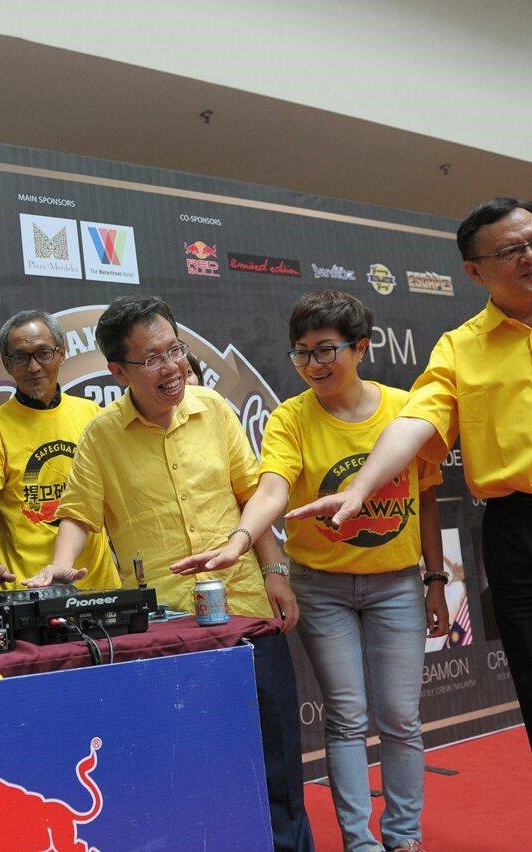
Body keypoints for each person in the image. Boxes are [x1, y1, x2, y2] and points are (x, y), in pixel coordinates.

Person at [288, 198, 532, 850]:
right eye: (509, 250)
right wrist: (359, 486)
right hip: (524, 537)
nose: (530, 257)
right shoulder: (459, 348)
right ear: (474, 272)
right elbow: (416, 424)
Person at [28, 296, 314, 852]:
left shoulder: (215, 409)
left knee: (276, 753)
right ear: (118, 371)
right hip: (168, 627)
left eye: (175, 350)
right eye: (152, 358)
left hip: (246, 609)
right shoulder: (102, 435)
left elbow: (250, 496)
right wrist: (60, 567)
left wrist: (275, 571)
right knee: (188, 764)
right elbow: (78, 515)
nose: (171, 367)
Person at [173, 290, 447, 852]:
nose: (313, 365)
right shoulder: (290, 417)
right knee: (346, 717)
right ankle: (360, 843)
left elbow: (427, 499)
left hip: (398, 585)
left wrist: (436, 581)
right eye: (301, 353)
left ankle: (404, 836)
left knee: (401, 718)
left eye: (325, 350)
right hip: (321, 588)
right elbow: (272, 488)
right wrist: (241, 540)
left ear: (361, 347)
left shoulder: (406, 409)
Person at [0, 310, 117, 592]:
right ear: (7, 364)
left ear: (62, 353)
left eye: (44, 353)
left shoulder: (92, 414)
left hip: (97, 584)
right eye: (20, 357)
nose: (33, 367)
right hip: (24, 588)